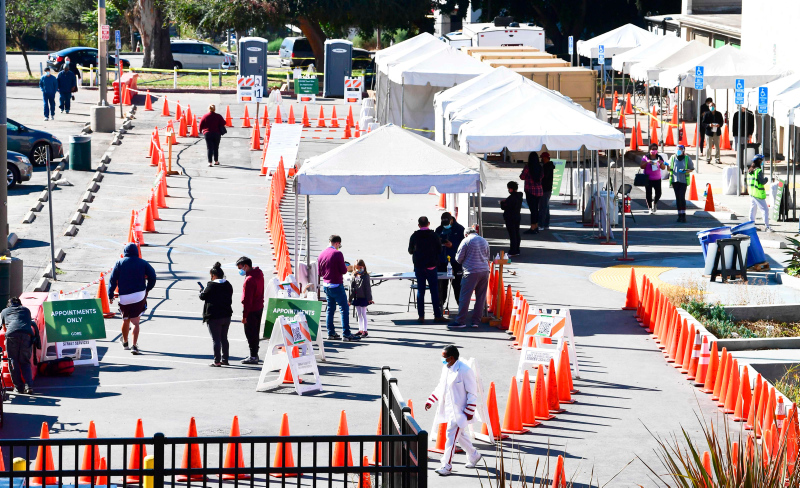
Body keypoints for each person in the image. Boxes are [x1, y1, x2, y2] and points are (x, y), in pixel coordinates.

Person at [425, 345, 482, 476]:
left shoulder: (465, 370)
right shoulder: (446, 368)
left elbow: (472, 392)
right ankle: (474, 455)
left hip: (460, 412)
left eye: (444, 357)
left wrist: (469, 411)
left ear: (451, 358)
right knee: (459, 435)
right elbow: (441, 386)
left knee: (450, 437)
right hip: (449, 410)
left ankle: (446, 465)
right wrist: (431, 400)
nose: (442, 360)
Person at [108, 243, 157, 355]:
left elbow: (112, 279)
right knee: (135, 322)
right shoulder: (143, 262)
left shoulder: (119, 262)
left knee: (125, 319)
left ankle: (125, 343)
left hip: (124, 296)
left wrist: (110, 294)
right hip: (139, 295)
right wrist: (147, 289)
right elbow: (153, 276)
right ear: (136, 251)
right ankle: (134, 346)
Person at [318, 235, 360, 341]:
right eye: (339, 245)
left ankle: (331, 333)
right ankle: (346, 333)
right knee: (344, 309)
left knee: (330, 309)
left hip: (326, 285)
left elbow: (319, 272)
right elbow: (344, 270)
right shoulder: (337, 253)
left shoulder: (322, 254)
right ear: (337, 243)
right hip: (336, 284)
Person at [448, 226, 490, 329]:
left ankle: (461, 320)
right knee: (480, 297)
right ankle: (476, 321)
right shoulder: (484, 241)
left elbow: (458, 258)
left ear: (466, 234)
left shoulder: (466, 241)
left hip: (471, 272)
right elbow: (487, 256)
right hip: (484, 271)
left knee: (465, 297)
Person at [409, 217, 447, 324]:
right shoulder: (434, 236)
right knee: (434, 291)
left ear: (419, 225)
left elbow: (410, 250)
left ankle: (421, 316)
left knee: (421, 291)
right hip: (431, 267)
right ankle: (437, 315)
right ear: (429, 224)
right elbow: (440, 250)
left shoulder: (414, 236)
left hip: (419, 267)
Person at [199, 262, 233, 366]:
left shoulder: (211, 285)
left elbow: (202, 297)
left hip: (214, 316)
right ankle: (225, 359)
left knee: (216, 340)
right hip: (226, 315)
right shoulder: (228, 284)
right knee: (224, 338)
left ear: (213, 275)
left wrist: (202, 291)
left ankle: (217, 361)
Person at [1, 297, 38, 394]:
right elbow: (28, 323)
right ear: (20, 304)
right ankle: (29, 386)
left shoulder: (4, 312)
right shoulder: (26, 310)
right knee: (25, 361)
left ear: (9, 305)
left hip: (11, 336)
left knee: (13, 361)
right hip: (26, 335)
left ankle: (19, 387)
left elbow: (4, 328)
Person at [236, 256, 265, 363]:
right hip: (259, 307)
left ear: (246, 266)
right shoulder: (259, 273)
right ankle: (255, 354)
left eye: (241, 268)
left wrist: (244, 316)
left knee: (250, 333)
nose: (240, 271)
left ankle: (253, 356)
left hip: (251, 310)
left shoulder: (249, 280)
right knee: (255, 332)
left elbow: (248, 300)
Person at [434, 212, 464, 309]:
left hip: (456, 262)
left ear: (451, 220)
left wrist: (453, 245)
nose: (445, 226)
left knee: (457, 285)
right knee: (442, 286)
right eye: (444, 224)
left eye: (447, 224)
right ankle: (440, 306)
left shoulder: (460, 229)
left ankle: (461, 306)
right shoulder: (439, 229)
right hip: (442, 262)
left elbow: (464, 245)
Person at [667, 145, 694, 223]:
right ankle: (679, 215)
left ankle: (683, 215)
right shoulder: (672, 158)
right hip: (675, 181)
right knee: (678, 198)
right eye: (677, 149)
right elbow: (669, 169)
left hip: (683, 181)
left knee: (682, 197)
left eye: (680, 149)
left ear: (683, 150)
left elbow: (691, 168)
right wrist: (666, 165)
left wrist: (685, 170)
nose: (679, 151)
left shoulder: (687, 158)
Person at [349, 259, 373, 338]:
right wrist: (349, 299)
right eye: (357, 268)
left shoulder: (365, 276)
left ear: (364, 267)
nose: (359, 269)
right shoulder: (354, 276)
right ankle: (360, 329)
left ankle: (365, 330)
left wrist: (369, 298)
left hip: (363, 298)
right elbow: (351, 289)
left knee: (363, 314)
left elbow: (367, 288)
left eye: (361, 267)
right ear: (355, 268)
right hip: (356, 298)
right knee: (358, 314)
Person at [519, 152, 543, 234]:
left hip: (530, 191)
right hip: (539, 191)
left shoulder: (528, 167)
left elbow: (522, 177)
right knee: (536, 209)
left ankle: (533, 227)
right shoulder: (540, 167)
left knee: (533, 210)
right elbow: (542, 176)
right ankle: (536, 226)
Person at [747, 155, 772, 232]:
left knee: (753, 209)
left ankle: (751, 225)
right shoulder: (758, 171)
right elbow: (762, 181)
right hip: (758, 194)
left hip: (752, 193)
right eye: (761, 160)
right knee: (765, 210)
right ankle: (767, 227)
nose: (762, 162)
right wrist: (766, 179)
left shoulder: (750, 171)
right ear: (759, 161)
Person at [640, 143, 666, 214]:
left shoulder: (659, 157)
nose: (654, 151)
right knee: (649, 194)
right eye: (652, 149)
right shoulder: (646, 157)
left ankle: (655, 202)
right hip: (648, 178)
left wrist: (661, 163)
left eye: (655, 149)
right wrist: (647, 162)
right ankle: (650, 208)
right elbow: (641, 166)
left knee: (659, 193)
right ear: (649, 150)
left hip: (657, 178)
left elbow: (663, 168)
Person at [500, 181, 523, 256]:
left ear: (510, 189)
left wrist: (502, 203)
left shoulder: (511, 197)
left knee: (512, 235)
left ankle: (513, 251)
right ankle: (517, 250)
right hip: (517, 216)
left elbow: (505, 207)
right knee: (516, 233)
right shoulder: (519, 196)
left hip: (510, 217)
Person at [539, 152, 555, 230]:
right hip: (547, 189)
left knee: (543, 207)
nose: (541, 159)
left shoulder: (546, 167)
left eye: (542, 158)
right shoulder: (549, 166)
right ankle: (546, 224)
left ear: (545, 158)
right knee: (546, 207)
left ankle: (541, 224)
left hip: (545, 189)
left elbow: (544, 177)